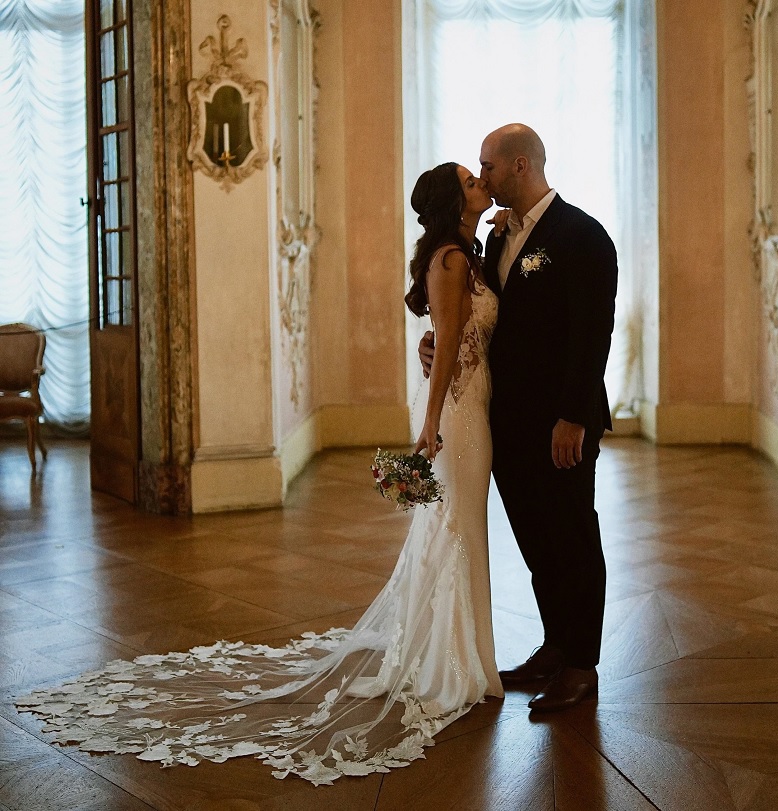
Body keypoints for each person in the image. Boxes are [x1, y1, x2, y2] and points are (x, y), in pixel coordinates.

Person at [16, 162, 503, 787]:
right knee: (453, 524)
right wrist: (430, 423)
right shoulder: (451, 260)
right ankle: (449, 663)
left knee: (456, 525)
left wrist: (435, 357)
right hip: (457, 413)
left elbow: (450, 336)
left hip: (471, 403)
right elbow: (447, 345)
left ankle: (458, 655)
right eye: (470, 180)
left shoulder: (470, 252)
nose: (480, 183)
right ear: (451, 200)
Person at [419, 123, 617, 712]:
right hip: (504, 423)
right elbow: (479, 321)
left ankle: (583, 666)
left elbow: (592, 336)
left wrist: (571, 418)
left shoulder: (582, 235)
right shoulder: (498, 238)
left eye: (490, 166)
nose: (483, 177)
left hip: (560, 425)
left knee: (573, 538)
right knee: (536, 542)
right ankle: (557, 646)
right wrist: (437, 345)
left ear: (521, 166)